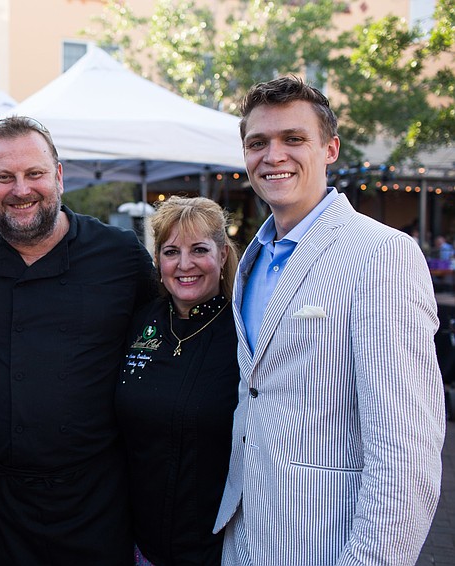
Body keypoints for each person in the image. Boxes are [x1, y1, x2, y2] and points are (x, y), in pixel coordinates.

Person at [213, 76, 445, 565]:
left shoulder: (382, 255)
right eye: (258, 143)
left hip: (327, 544)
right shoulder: (251, 259)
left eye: (293, 139)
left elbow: (406, 453)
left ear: (330, 149)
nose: (273, 155)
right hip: (245, 539)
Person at [0, 116, 156, 564]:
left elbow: (164, 335)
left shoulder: (119, 254)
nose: (21, 189)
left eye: (34, 173)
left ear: (58, 175)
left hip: (96, 500)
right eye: (4, 177)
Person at [117, 196, 239, 566]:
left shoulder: (247, 331)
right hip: (139, 546)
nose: (185, 265)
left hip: (217, 548)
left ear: (221, 255)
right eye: (171, 252)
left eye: (199, 249)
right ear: (158, 262)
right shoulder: (138, 322)